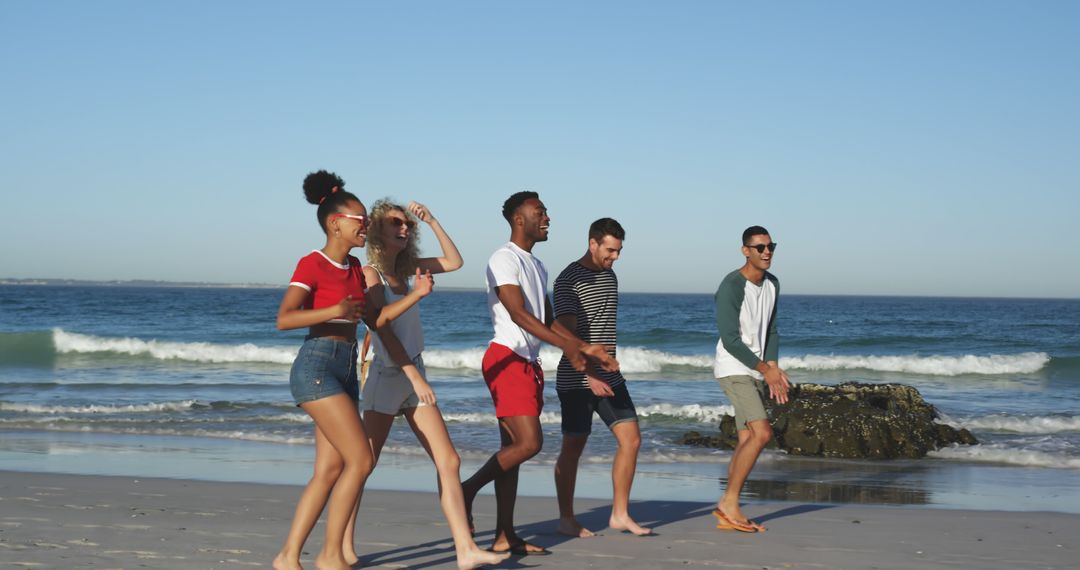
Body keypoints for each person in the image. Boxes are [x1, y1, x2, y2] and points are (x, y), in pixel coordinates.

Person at [272, 171, 432, 570]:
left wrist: (414, 297)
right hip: (317, 365)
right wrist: (336, 311)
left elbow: (377, 320)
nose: (366, 226)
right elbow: (285, 318)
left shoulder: (357, 269)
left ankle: (288, 557)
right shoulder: (313, 263)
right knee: (360, 460)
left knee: (329, 469)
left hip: (345, 368)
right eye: (360, 220)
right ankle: (330, 557)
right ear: (335, 223)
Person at [342, 199, 508, 569]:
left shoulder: (408, 267)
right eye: (397, 223)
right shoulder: (372, 274)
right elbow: (379, 324)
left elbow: (454, 262)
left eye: (408, 225)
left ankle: (465, 550)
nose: (405, 228)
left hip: (414, 372)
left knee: (449, 460)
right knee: (363, 464)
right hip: (389, 375)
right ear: (376, 231)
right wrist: (414, 375)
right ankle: (342, 543)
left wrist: (432, 220)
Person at [461, 191, 619, 556]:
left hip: (527, 364)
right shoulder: (503, 258)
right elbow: (518, 314)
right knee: (530, 444)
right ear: (520, 219)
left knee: (512, 451)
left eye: (546, 212)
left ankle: (504, 534)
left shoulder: (537, 264)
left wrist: (582, 347)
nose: (547, 218)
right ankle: (465, 491)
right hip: (506, 358)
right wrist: (567, 348)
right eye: (540, 212)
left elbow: (548, 320)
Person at [552, 218, 651, 537]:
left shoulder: (610, 275)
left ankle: (620, 514)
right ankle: (566, 518)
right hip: (577, 378)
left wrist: (603, 369)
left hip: (608, 375)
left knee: (631, 440)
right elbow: (566, 335)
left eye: (619, 251)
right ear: (592, 243)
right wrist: (590, 373)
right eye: (610, 250)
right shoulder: (568, 280)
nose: (615, 257)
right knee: (573, 446)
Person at [711, 225, 790, 533]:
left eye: (771, 246)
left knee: (747, 438)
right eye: (760, 247)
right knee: (762, 434)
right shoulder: (731, 286)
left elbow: (770, 329)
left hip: (756, 369)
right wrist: (763, 368)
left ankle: (729, 507)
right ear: (746, 250)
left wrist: (773, 368)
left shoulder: (773, 284)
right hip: (733, 368)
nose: (767, 251)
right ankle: (728, 503)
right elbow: (730, 339)